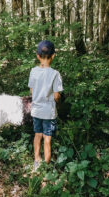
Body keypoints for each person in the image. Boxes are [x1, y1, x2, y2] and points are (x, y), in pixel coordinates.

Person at [28, 40, 63, 170]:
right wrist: (58, 103)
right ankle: (46, 166)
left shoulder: (33, 71)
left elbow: (31, 91)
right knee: (47, 139)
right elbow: (56, 96)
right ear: (53, 55)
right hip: (49, 112)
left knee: (37, 135)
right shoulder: (55, 74)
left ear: (37, 55)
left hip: (36, 110)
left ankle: (37, 161)